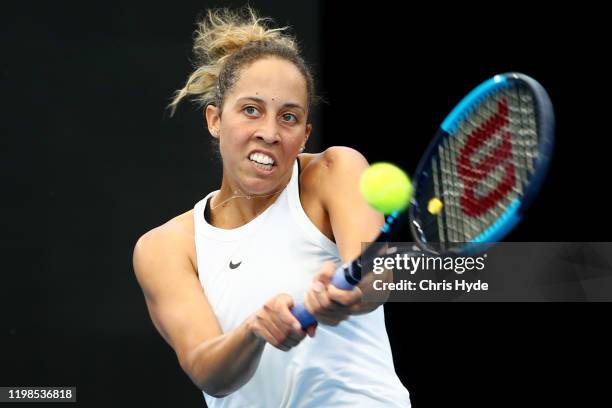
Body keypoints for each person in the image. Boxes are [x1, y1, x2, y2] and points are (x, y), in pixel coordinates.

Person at [133, 7, 411, 407]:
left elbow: (375, 273)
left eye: (289, 117)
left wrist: (350, 294)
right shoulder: (165, 248)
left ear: (304, 135)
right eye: (251, 110)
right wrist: (254, 330)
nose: (269, 132)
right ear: (214, 119)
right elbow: (208, 371)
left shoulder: (334, 171)